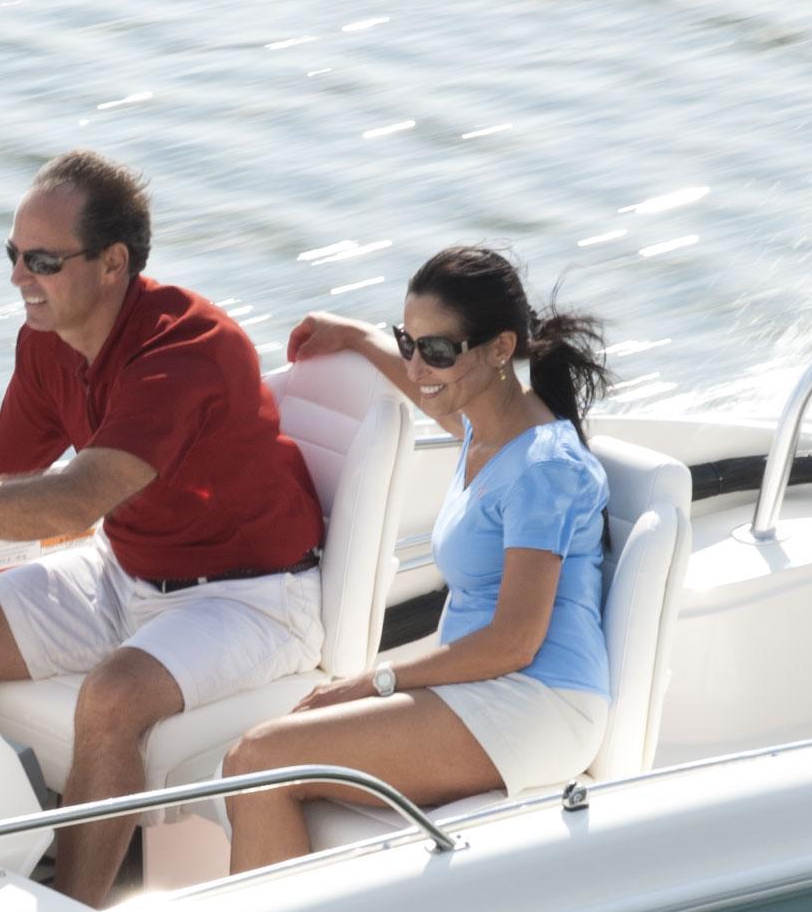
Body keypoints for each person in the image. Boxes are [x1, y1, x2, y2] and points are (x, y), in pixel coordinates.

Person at [0, 151, 326, 903]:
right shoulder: (47, 342)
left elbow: (71, 502)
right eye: (13, 256)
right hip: (125, 567)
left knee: (113, 696)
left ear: (112, 264)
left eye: (44, 261)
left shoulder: (186, 350)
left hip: (253, 597)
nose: (20, 277)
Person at [221, 247, 611, 871]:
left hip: (538, 701)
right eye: (410, 341)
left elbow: (514, 642)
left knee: (257, 760)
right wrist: (356, 336)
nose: (419, 366)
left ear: (499, 347)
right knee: (252, 761)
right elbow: (424, 386)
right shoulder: (485, 430)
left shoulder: (544, 469)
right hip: (486, 685)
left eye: (437, 350)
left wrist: (373, 680)